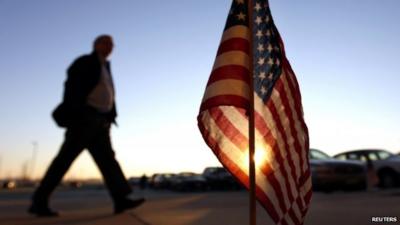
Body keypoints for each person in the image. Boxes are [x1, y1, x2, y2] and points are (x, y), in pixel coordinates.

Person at [29, 35, 144, 217]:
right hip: (84, 120)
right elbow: (71, 88)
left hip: (102, 122)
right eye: (107, 43)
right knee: (63, 161)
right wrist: (79, 113)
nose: (111, 47)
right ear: (96, 45)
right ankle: (39, 201)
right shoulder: (84, 62)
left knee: (108, 162)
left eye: (112, 44)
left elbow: (109, 94)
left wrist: (110, 116)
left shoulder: (106, 66)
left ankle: (121, 200)